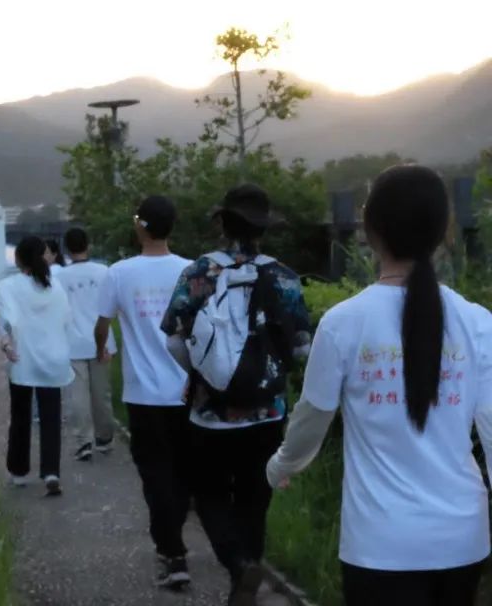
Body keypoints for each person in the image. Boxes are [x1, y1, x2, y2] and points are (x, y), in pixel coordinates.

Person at [267, 165, 492, 606]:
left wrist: (281, 466)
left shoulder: (343, 323)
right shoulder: (478, 323)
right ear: (443, 231)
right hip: (462, 540)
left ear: (371, 230)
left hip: (379, 544)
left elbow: (312, 417)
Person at [161, 184, 311, 606]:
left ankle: (239, 567)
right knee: (254, 498)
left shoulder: (199, 272)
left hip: (211, 412)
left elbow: (173, 340)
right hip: (267, 412)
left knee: (209, 493)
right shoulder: (283, 276)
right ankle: (246, 574)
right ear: (264, 229)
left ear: (223, 225)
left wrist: (202, 374)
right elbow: (302, 348)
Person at [94, 195, 192, 589]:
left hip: (143, 395)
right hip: (187, 391)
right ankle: (174, 541)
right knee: (182, 471)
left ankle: (172, 551)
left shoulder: (119, 273)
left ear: (141, 226)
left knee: (155, 473)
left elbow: (103, 323)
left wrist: (101, 347)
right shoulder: (190, 270)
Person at [0, 236, 73, 497]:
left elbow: (7, 320)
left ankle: (19, 471)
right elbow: (66, 320)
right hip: (53, 359)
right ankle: (51, 471)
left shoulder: (8, 286)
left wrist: (6, 344)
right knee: (51, 416)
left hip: (23, 360)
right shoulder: (55, 286)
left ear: (18, 259)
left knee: (21, 415)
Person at [56, 227, 117, 461]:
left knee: (77, 396)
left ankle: (83, 441)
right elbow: (113, 307)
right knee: (101, 394)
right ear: (88, 245)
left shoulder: (59, 277)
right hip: (102, 340)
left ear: (66, 249)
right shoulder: (105, 272)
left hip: (72, 344)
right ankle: (105, 437)